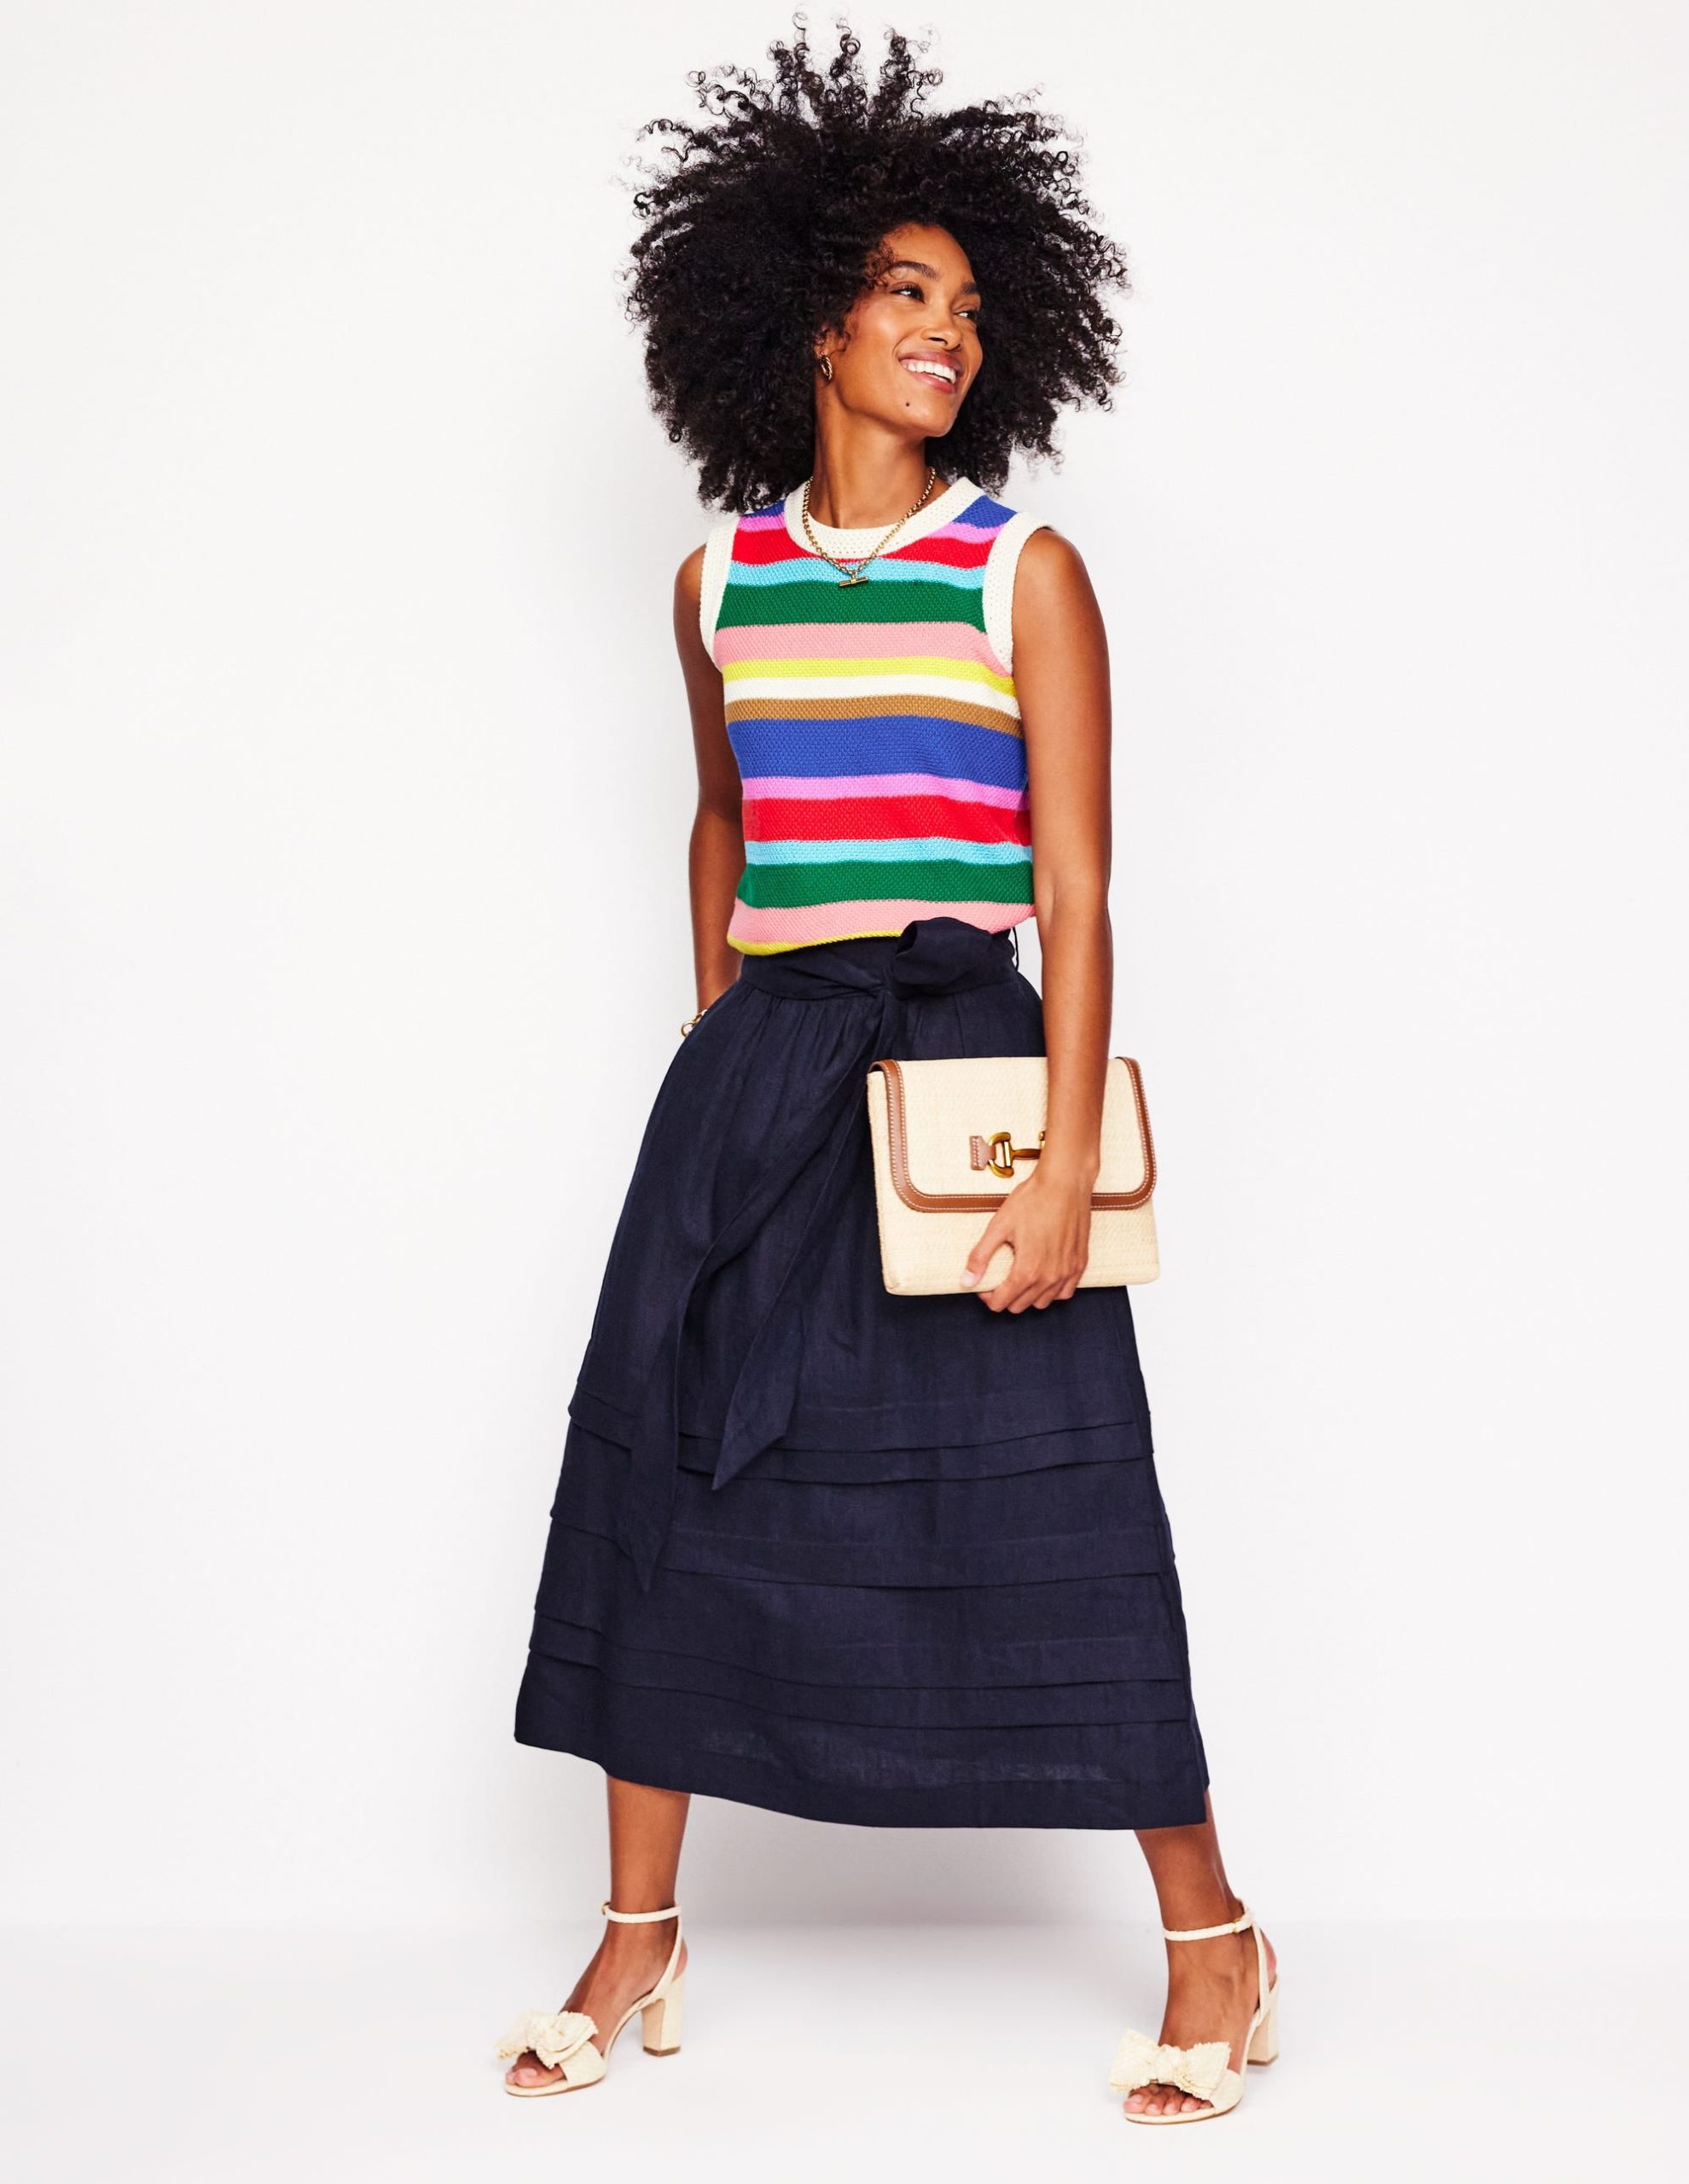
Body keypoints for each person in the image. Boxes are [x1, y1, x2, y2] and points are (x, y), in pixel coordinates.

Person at [497, 20, 1277, 2125]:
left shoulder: (1021, 569)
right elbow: (724, 817)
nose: (949, 329)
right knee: (669, 1474)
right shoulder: (717, 579)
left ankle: (1215, 1934)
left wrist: (1059, 1160)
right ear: (808, 318)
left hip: (963, 1069)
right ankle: (639, 1930)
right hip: (758, 1081)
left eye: (972, 303)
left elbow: (1079, 891)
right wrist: (721, 1028)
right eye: (907, 291)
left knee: (1055, 1500)